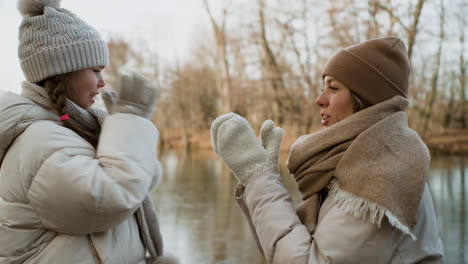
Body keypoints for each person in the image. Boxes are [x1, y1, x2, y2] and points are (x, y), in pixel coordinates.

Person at [211, 37, 445, 263]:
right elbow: (282, 251)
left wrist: (259, 178)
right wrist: (260, 181)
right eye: (323, 87)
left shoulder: (381, 173)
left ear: (366, 99)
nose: (319, 100)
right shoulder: (353, 163)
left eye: (333, 87)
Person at [0, 0, 177, 263]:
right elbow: (112, 198)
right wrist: (129, 122)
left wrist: (115, 131)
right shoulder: (39, 143)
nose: (102, 82)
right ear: (64, 71)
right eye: (95, 71)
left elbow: (143, 179)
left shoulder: (71, 130)